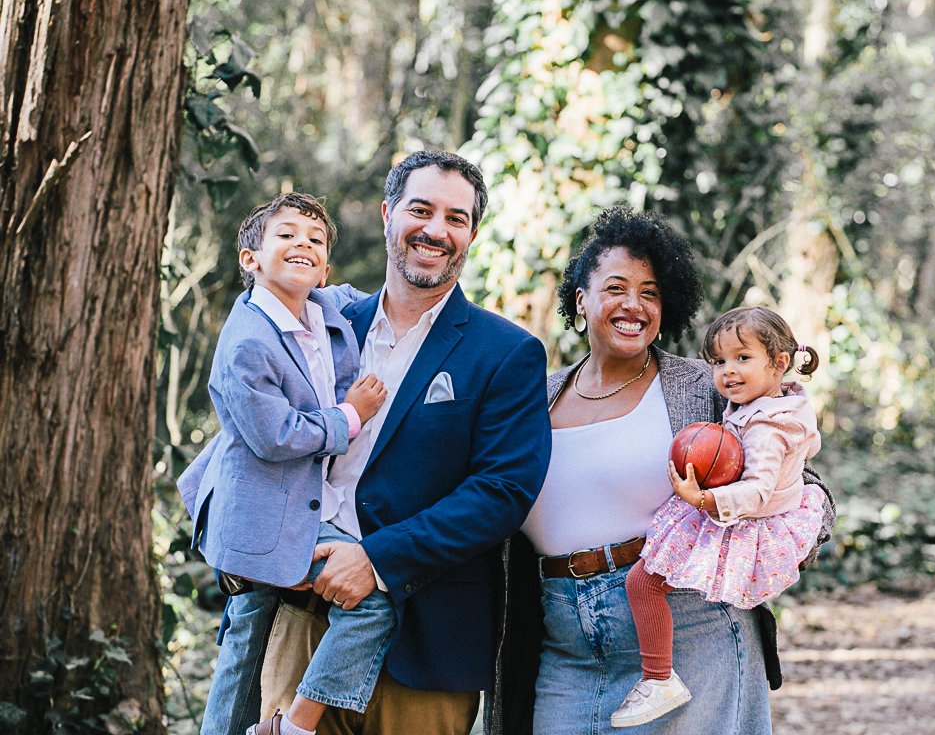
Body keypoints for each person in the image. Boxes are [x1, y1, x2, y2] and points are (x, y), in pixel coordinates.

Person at [492, 207, 835, 735]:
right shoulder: (537, 397)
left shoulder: (706, 387)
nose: (634, 305)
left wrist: (767, 548)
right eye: (616, 288)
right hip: (566, 645)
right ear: (581, 300)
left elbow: (804, 485)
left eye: (650, 293)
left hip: (691, 632)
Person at [252, 150, 552, 735]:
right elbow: (261, 442)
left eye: (456, 218)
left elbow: (502, 492)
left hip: (427, 641)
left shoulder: (507, 353)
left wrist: (377, 560)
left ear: (471, 233)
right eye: (421, 209)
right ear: (389, 214)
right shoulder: (319, 323)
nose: (436, 230)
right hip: (301, 616)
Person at [177, 192, 396, 735]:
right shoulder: (247, 340)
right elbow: (274, 436)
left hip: (292, 505)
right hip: (257, 517)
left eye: (315, 240)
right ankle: (297, 726)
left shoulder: (325, 306)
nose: (303, 243)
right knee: (251, 646)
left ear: (324, 268)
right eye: (287, 234)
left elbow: (393, 300)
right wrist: (351, 414)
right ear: (251, 260)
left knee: (246, 646)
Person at [614, 306, 826, 727]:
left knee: (643, 581)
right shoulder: (765, 405)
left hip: (738, 521)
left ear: (779, 363)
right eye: (719, 361)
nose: (728, 371)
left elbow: (760, 490)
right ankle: (660, 676)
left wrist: (705, 501)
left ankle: (659, 678)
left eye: (742, 358)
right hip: (729, 513)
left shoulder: (768, 425)